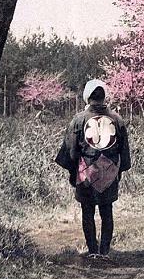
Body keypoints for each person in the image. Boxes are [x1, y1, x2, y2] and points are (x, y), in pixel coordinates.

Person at [55, 79, 132, 260]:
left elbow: (71, 151)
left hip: (86, 173)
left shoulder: (79, 119)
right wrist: (119, 171)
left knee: (87, 211)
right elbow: (124, 152)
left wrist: (73, 172)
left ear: (87, 97)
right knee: (107, 211)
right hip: (110, 172)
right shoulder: (117, 119)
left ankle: (92, 251)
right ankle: (104, 251)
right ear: (104, 96)